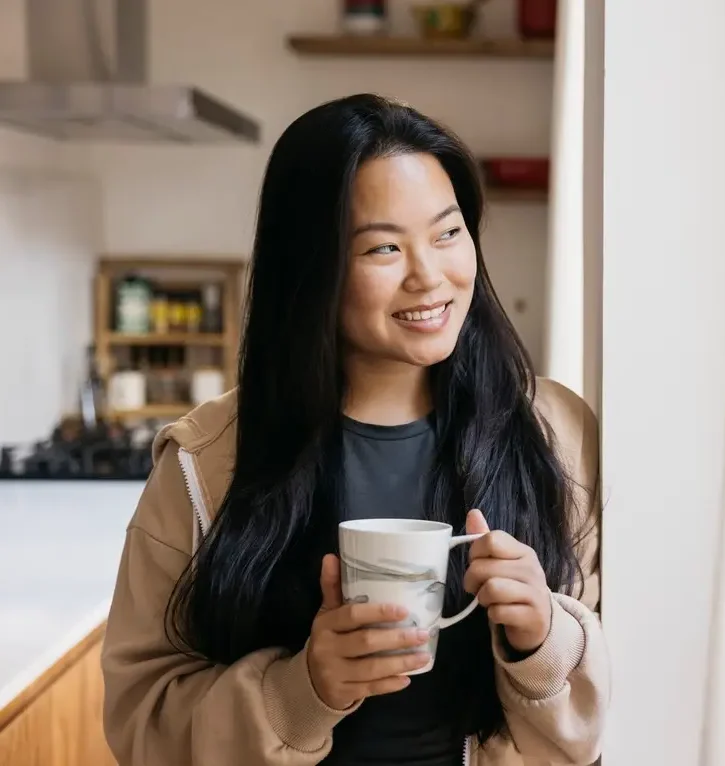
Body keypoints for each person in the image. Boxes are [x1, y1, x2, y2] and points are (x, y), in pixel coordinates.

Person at [101, 93, 609, 766]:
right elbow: (141, 718)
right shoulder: (207, 461)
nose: (429, 276)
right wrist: (302, 689)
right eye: (384, 248)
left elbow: (620, 703)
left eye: (448, 233)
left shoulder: (556, 435)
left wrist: (544, 640)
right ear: (313, 270)